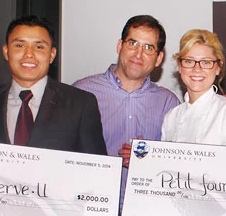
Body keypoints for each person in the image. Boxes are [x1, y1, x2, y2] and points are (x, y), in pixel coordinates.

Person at [73, 15, 180, 209]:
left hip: (149, 208)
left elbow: (178, 167)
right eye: (133, 43)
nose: (138, 54)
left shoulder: (169, 103)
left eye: (148, 47)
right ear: (119, 46)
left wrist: (149, 161)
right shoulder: (82, 92)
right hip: (90, 206)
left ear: (159, 58)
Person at [0, 15, 107, 155]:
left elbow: (96, 169)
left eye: (39, 47)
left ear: (52, 55)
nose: (29, 54)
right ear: (6, 51)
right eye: (20, 45)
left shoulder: (80, 104)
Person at [161, 29, 226, 147]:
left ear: (218, 68)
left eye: (206, 62)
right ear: (180, 66)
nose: (197, 69)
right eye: (189, 61)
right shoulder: (171, 118)